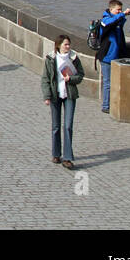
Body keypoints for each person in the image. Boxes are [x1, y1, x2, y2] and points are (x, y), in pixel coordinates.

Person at [41, 35, 85, 170]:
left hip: (69, 94)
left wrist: (70, 79)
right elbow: (46, 78)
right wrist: (47, 96)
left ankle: (67, 158)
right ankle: (56, 153)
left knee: (68, 126)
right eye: (65, 44)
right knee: (56, 126)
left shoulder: (74, 58)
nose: (68, 47)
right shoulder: (51, 59)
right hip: (55, 94)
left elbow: (80, 75)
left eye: (68, 44)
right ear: (58, 45)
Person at [98, 0, 130, 114]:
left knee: (115, 82)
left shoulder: (116, 20)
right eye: (117, 10)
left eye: (121, 10)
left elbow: (119, 23)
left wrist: (124, 15)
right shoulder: (105, 20)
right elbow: (109, 23)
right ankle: (106, 105)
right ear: (110, 9)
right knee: (108, 82)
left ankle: (113, 103)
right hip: (107, 56)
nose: (119, 11)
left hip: (117, 56)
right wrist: (122, 14)